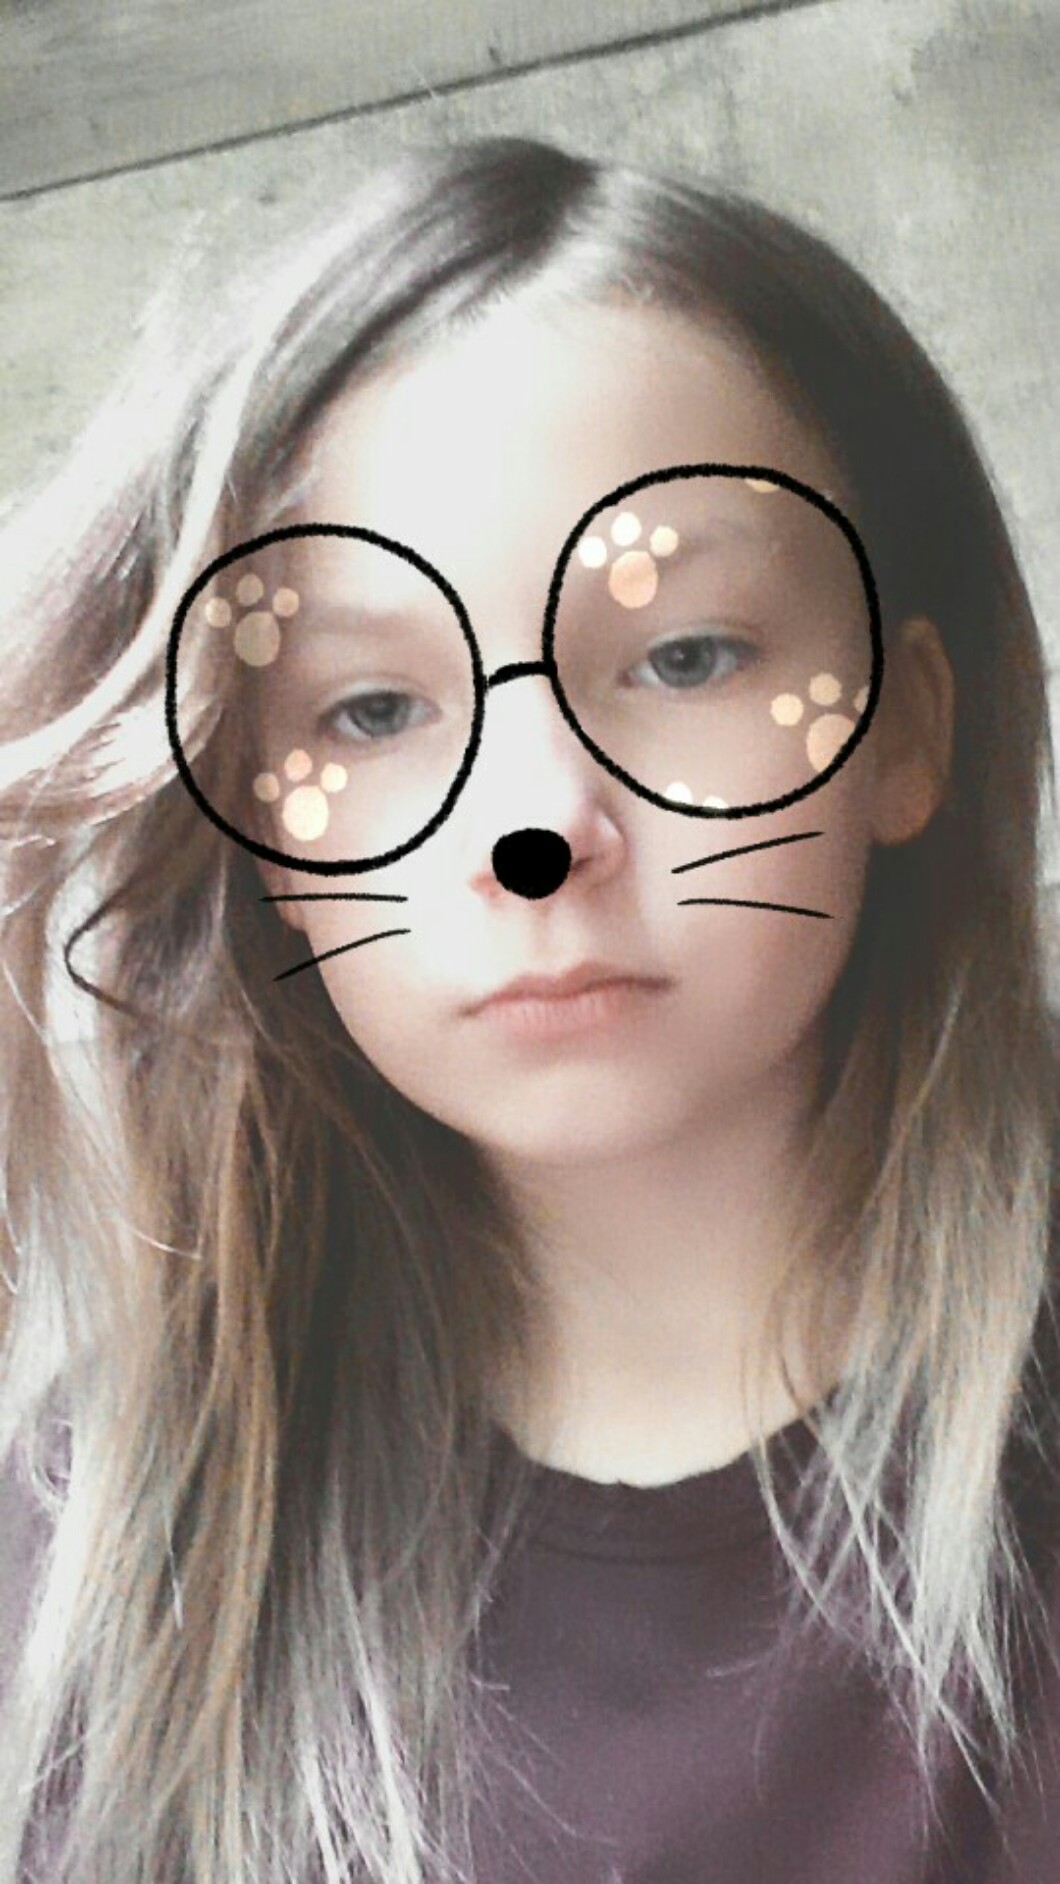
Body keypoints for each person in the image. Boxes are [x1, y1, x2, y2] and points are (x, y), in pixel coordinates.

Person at [0, 136, 1058, 1884]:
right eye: (368, 711)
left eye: (686, 656)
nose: (536, 834)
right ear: (253, 820)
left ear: (909, 726)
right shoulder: (94, 1571)